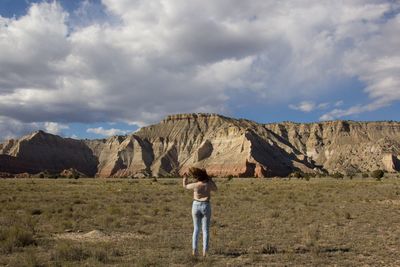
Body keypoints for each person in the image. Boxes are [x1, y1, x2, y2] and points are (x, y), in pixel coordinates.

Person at [183, 167, 218, 257]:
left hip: (195, 205)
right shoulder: (208, 184)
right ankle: (205, 251)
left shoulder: (195, 185)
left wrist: (185, 178)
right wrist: (211, 179)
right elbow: (215, 189)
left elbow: (185, 186)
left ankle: (194, 250)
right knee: (205, 230)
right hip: (206, 205)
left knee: (196, 229)